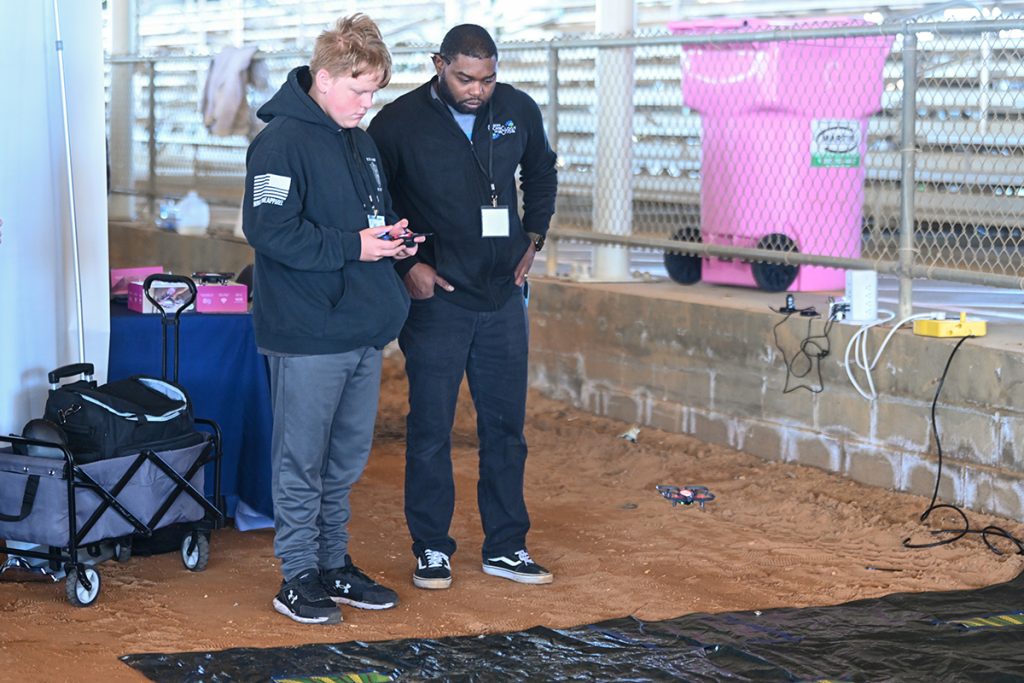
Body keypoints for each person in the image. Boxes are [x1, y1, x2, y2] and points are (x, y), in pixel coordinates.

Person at [243, 13, 420, 625]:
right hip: (307, 332)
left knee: (343, 462)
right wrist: (355, 246)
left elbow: (365, 218)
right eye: (358, 89)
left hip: (360, 326)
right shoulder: (280, 142)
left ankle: (332, 562)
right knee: (302, 461)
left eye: (374, 91)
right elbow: (269, 230)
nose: (367, 104)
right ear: (323, 78)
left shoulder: (359, 140)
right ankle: (297, 576)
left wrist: (390, 240)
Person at [367, 24, 558, 589]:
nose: (477, 89)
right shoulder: (398, 122)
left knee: (506, 429)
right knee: (430, 427)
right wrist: (406, 266)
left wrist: (535, 237)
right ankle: (431, 547)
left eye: (487, 78)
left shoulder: (517, 109)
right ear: (438, 64)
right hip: (439, 299)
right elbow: (376, 200)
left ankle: (506, 546)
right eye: (464, 77)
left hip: (503, 298)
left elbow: (542, 172)